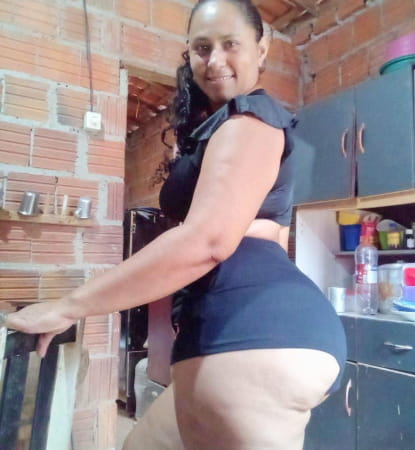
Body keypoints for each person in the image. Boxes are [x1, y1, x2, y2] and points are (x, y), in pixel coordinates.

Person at [5, 0, 347, 448]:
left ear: (261, 49)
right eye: (202, 48)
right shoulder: (225, 126)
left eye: (231, 44)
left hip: (252, 335)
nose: (215, 60)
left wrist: (69, 306)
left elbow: (207, 242)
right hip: (251, 329)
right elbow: (262, 239)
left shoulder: (250, 119)